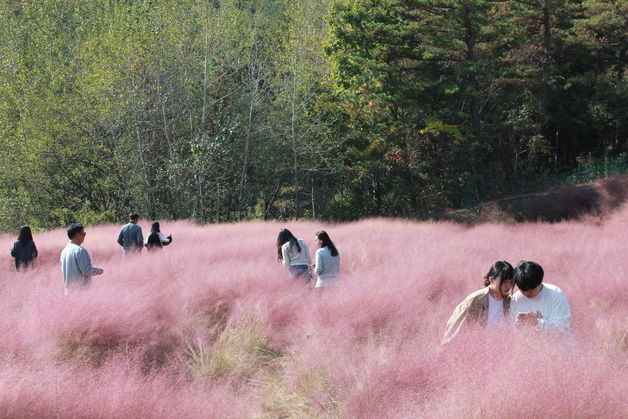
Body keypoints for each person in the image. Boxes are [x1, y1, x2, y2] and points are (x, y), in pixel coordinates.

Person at [442, 261, 515, 344]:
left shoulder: (509, 301)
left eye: (511, 282)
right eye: (504, 282)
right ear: (491, 279)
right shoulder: (475, 301)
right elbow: (455, 331)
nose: (509, 286)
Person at [509, 261, 573, 341]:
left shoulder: (556, 295)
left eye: (531, 290)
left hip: (561, 350)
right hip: (531, 351)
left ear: (540, 282)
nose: (526, 293)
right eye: (523, 290)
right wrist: (518, 327)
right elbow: (510, 332)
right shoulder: (516, 299)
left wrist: (537, 323)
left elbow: (562, 330)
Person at [60, 223, 104, 294]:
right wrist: (99, 271)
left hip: (68, 292)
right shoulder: (80, 250)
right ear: (78, 235)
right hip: (81, 292)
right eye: (83, 234)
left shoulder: (64, 251)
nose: (84, 236)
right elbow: (86, 271)